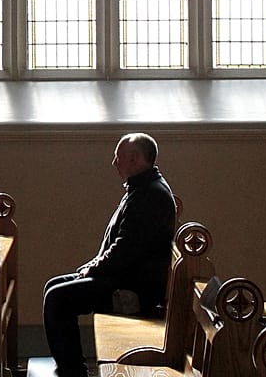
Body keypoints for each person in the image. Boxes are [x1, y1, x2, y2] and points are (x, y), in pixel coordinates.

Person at [43, 133, 177, 377]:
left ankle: (72, 371)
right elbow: (122, 247)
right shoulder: (143, 187)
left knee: (58, 298)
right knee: (53, 286)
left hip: (134, 290)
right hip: (126, 277)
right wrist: (92, 266)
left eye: (118, 157)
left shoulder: (149, 194)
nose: (114, 163)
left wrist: (92, 268)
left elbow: (126, 251)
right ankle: (70, 366)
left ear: (135, 159)